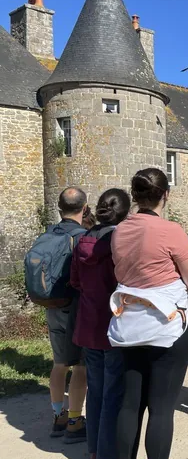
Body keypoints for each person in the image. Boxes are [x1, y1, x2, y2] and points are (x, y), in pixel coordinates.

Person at [108, 168, 188, 459]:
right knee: (161, 407)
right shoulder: (171, 231)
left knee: (131, 403)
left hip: (129, 325)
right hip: (165, 328)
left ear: (134, 196)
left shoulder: (119, 231)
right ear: (166, 195)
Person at [70, 188, 133, 459]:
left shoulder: (83, 240)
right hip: (114, 325)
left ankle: (95, 452)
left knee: (96, 390)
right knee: (113, 393)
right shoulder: (119, 243)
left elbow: (75, 282)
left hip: (88, 323)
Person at [46, 188, 89, 442]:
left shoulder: (47, 234)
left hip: (52, 306)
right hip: (76, 309)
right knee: (81, 366)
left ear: (59, 208)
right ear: (84, 208)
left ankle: (57, 416)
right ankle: (74, 420)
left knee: (59, 364)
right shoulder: (82, 238)